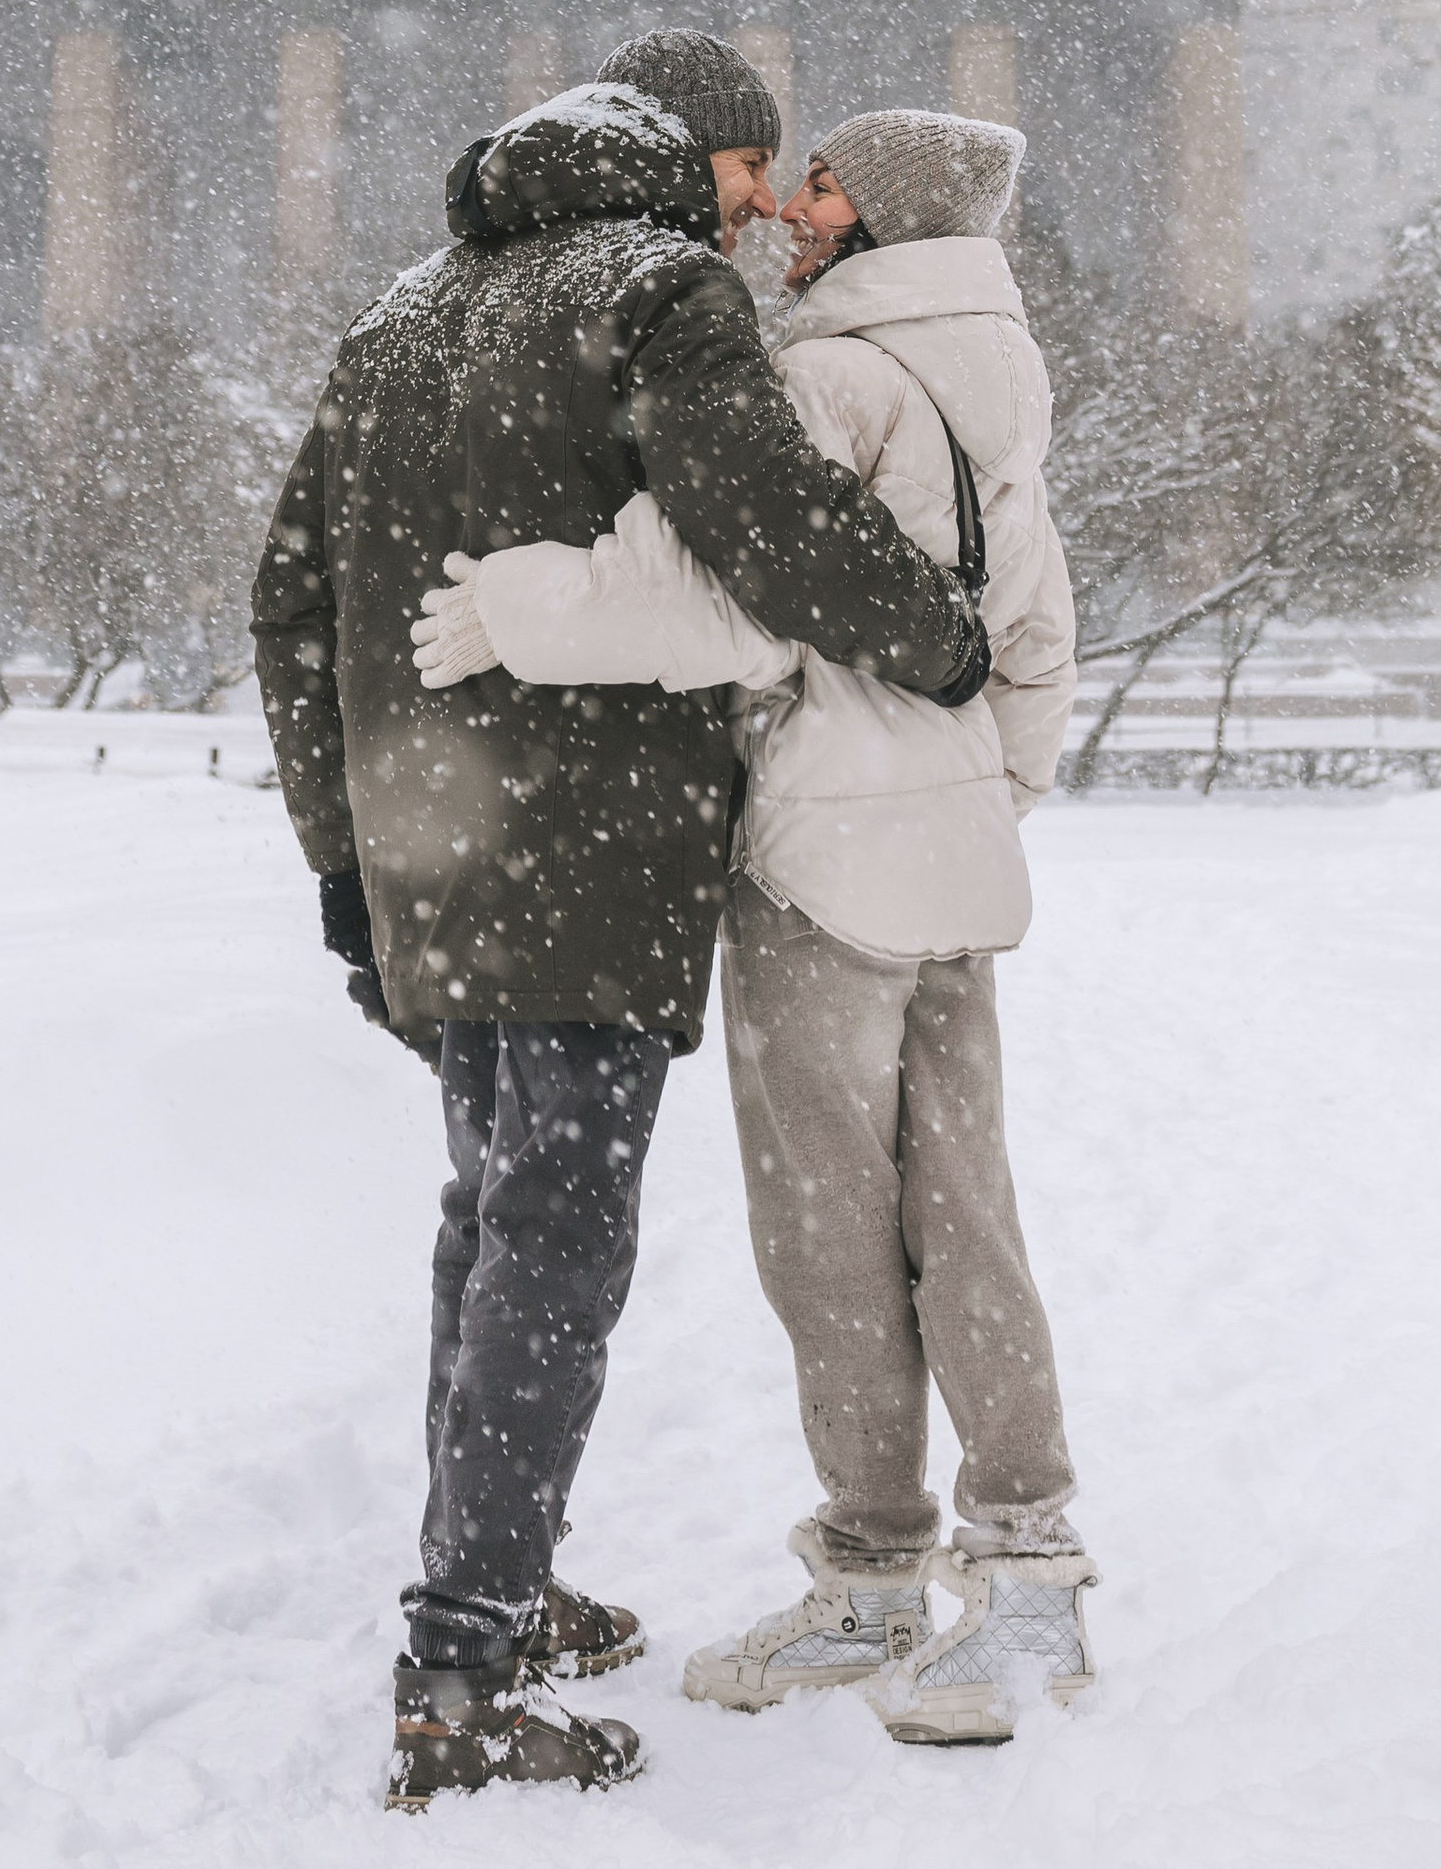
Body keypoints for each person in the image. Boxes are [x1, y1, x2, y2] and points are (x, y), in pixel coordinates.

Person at [249, 32, 989, 1812]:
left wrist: (347, 859)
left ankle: (497, 1570)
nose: (759, 213)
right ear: (700, 155)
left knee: (486, 1215)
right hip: (589, 848)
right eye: (757, 172)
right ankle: (465, 1661)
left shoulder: (409, 309)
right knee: (558, 1241)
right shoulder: (656, 291)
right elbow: (763, 518)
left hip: (433, 850)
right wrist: (935, 633)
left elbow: (290, 600)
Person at [418, 106, 1093, 1749]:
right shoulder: (999, 376)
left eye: (829, 186)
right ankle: (1030, 1574)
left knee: (827, 1236)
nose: (792, 207)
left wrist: (514, 602)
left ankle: (872, 1572)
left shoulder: (829, 376)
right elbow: (1036, 635)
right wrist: (971, 789)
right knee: (970, 1213)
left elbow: (707, 589)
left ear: (889, 217)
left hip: (816, 867)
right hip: (952, 860)